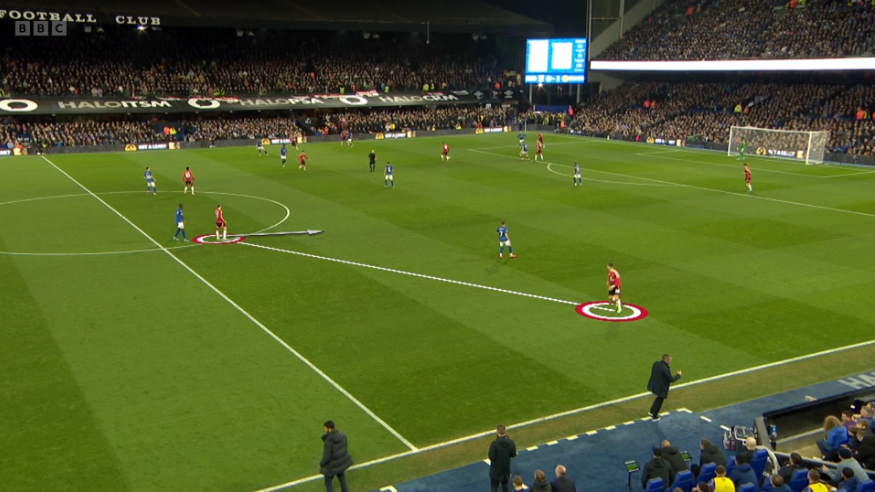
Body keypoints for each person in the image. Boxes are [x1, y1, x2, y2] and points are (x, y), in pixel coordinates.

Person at [319, 420, 353, 492]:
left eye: (325, 428)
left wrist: (321, 463)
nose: (324, 430)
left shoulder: (328, 440)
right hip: (340, 463)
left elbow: (326, 457)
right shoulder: (342, 435)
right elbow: (344, 448)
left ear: (329, 428)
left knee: (328, 483)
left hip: (332, 466)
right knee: (342, 479)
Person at [647, 354, 682, 420]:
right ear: (666, 360)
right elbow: (671, 379)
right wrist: (678, 375)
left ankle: (651, 411)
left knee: (658, 398)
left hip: (654, 384)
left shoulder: (656, 363)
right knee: (660, 400)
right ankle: (654, 416)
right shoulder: (665, 369)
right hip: (661, 387)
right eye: (670, 360)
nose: (670, 361)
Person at [488, 425, 517, 492]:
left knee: (494, 488)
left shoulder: (494, 444)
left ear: (497, 432)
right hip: (506, 470)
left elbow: (491, 457)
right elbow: (513, 454)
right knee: (505, 487)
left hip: (496, 471)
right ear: (505, 431)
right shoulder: (510, 442)